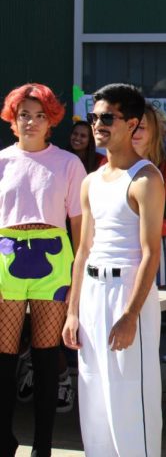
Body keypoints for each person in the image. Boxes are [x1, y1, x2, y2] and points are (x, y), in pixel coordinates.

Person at [61, 83, 165, 456]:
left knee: (129, 396)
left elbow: (151, 253)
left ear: (132, 123)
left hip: (126, 294)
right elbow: (82, 250)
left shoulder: (146, 178)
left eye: (108, 117)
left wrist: (130, 314)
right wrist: (73, 311)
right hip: (90, 296)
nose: (98, 124)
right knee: (93, 397)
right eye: (94, 116)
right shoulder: (90, 181)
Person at [0, 83, 86, 457]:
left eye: (39, 116)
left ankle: (44, 446)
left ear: (51, 121)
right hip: (6, 256)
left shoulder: (69, 163)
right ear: (12, 120)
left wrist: (78, 291)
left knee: (46, 356)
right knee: (3, 358)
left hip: (54, 259)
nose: (31, 122)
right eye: (24, 115)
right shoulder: (1, 161)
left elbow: (82, 232)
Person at [132, 105, 166, 288]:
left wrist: (139, 229)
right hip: (113, 261)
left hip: (155, 256)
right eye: (131, 126)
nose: (134, 132)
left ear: (153, 132)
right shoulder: (106, 168)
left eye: (141, 127)